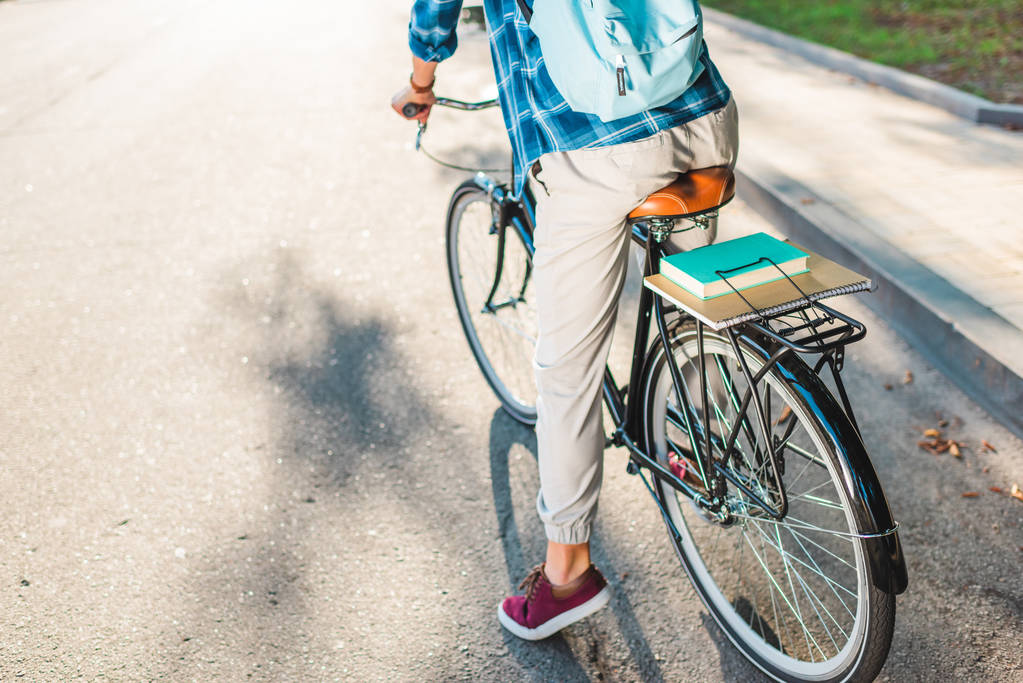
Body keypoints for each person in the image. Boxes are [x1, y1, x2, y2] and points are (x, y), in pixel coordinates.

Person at [393, 0, 738, 641]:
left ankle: (567, 575)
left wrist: (421, 84)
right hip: (704, 117)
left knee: (568, 373)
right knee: (694, 309)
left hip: (594, 151)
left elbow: (435, 14)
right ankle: (698, 444)